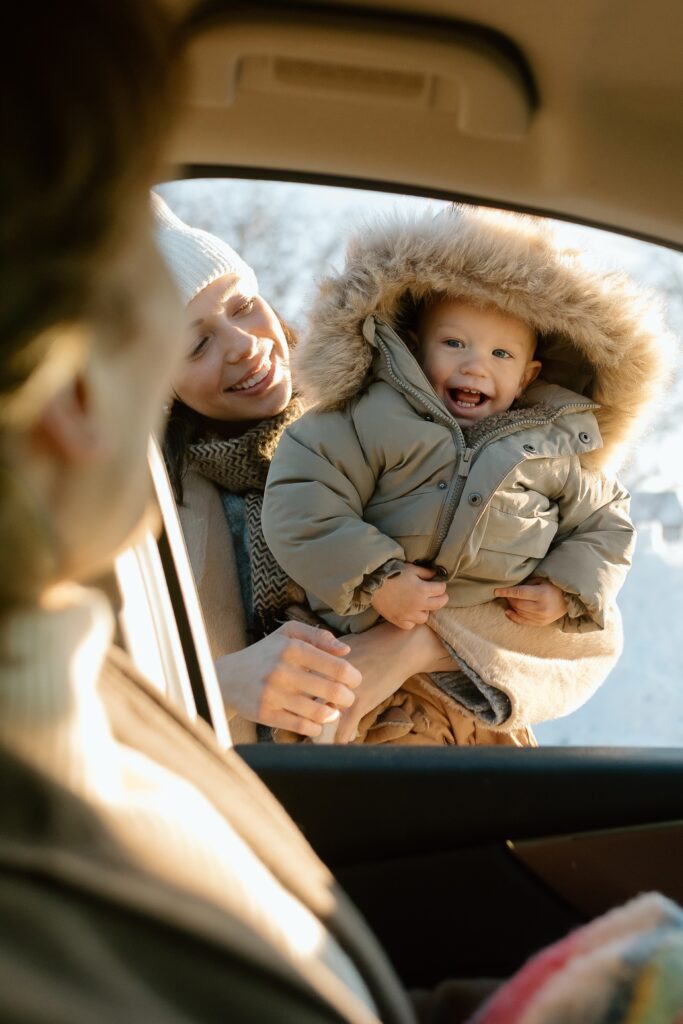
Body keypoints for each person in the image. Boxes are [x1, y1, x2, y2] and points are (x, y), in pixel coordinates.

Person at [263, 207, 673, 745]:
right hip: (362, 663)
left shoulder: (554, 453)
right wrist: (377, 578)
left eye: (501, 353)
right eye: (454, 343)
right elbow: (304, 498)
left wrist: (563, 589)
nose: (476, 365)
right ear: (415, 346)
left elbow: (606, 527)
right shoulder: (367, 420)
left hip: (480, 689)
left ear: (528, 376)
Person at [153, 194, 461, 743]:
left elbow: (568, 624)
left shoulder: (388, 424)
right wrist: (216, 685)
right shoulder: (149, 512)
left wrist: (405, 647)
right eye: (198, 343)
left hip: (441, 773)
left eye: (243, 304)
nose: (244, 345)